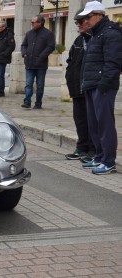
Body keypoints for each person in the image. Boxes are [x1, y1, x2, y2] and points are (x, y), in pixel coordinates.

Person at [78, 1, 122, 175]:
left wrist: (104, 84)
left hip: (102, 86)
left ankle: (108, 161)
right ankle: (100, 155)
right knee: (94, 124)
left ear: (99, 15)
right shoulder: (96, 34)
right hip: (91, 84)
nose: (85, 21)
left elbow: (113, 62)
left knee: (104, 124)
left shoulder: (111, 33)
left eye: (88, 17)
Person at [64, 9, 95, 163]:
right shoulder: (78, 40)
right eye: (77, 22)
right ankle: (81, 147)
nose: (78, 25)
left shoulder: (95, 39)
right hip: (76, 87)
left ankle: (93, 150)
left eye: (81, 22)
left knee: (92, 120)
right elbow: (70, 60)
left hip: (90, 87)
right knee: (80, 119)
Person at [21, 15, 55, 109]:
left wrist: (41, 56)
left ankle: (38, 103)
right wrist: (24, 53)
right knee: (28, 84)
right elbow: (23, 45)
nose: (31, 24)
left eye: (33, 22)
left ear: (40, 23)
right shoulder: (29, 33)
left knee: (40, 85)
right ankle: (27, 101)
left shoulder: (48, 34)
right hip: (29, 63)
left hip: (41, 64)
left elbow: (51, 46)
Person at [0, 22, 15, 97]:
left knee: (0, 75)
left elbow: (11, 46)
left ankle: (1, 91)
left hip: (2, 58)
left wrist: (4, 54)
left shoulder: (9, 35)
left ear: (4, 27)